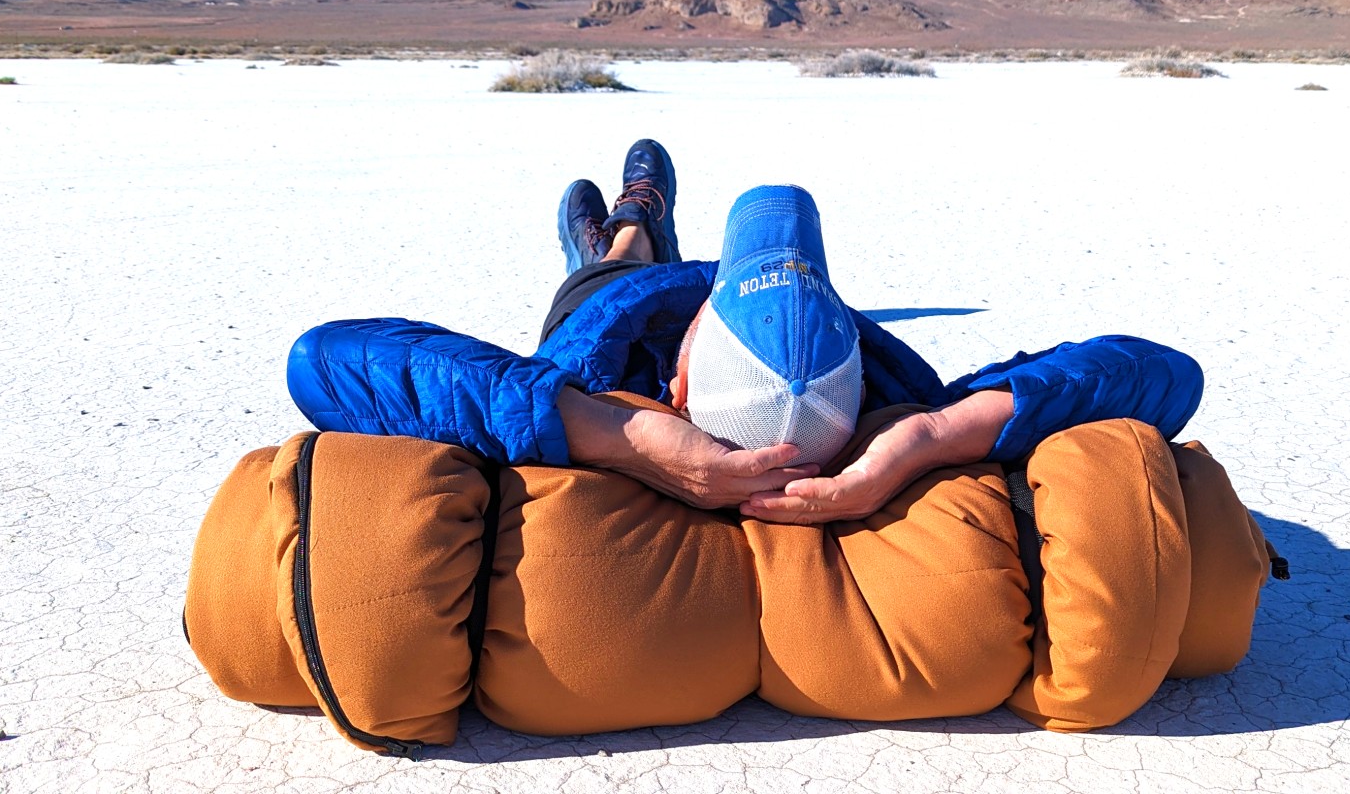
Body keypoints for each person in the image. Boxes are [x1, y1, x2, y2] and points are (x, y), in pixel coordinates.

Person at [287, 140, 1204, 524]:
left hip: (617, 307)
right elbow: (1162, 375)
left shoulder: (599, 372)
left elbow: (325, 360)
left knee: (609, 275)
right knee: (689, 254)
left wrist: (624, 436)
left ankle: (624, 232)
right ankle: (641, 222)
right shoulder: (889, 392)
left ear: (682, 376)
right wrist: (927, 432)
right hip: (722, 309)